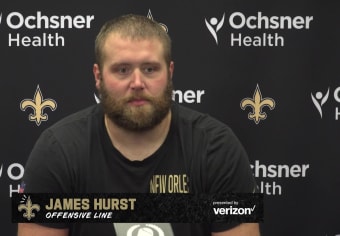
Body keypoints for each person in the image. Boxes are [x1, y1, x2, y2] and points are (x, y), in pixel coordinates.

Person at [18, 14, 260, 236]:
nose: (137, 83)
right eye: (122, 70)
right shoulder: (57, 150)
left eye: (150, 69)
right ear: (98, 76)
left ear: (170, 72)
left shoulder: (217, 148)